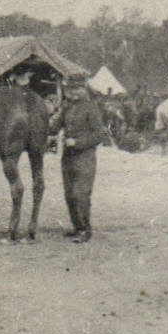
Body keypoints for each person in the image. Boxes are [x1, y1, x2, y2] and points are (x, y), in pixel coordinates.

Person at [56, 79, 106, 242]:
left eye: (77, 88)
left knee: (80, 194)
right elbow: (54, 126)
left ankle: (85, 230)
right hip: (68, 157)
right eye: (70, 89)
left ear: (84, 89)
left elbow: (99, 135)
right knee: (69, 194)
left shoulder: (91, 108)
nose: (73, 92)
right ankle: (77, 227)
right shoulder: (67, 107)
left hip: (85, 157)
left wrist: (77, 143)